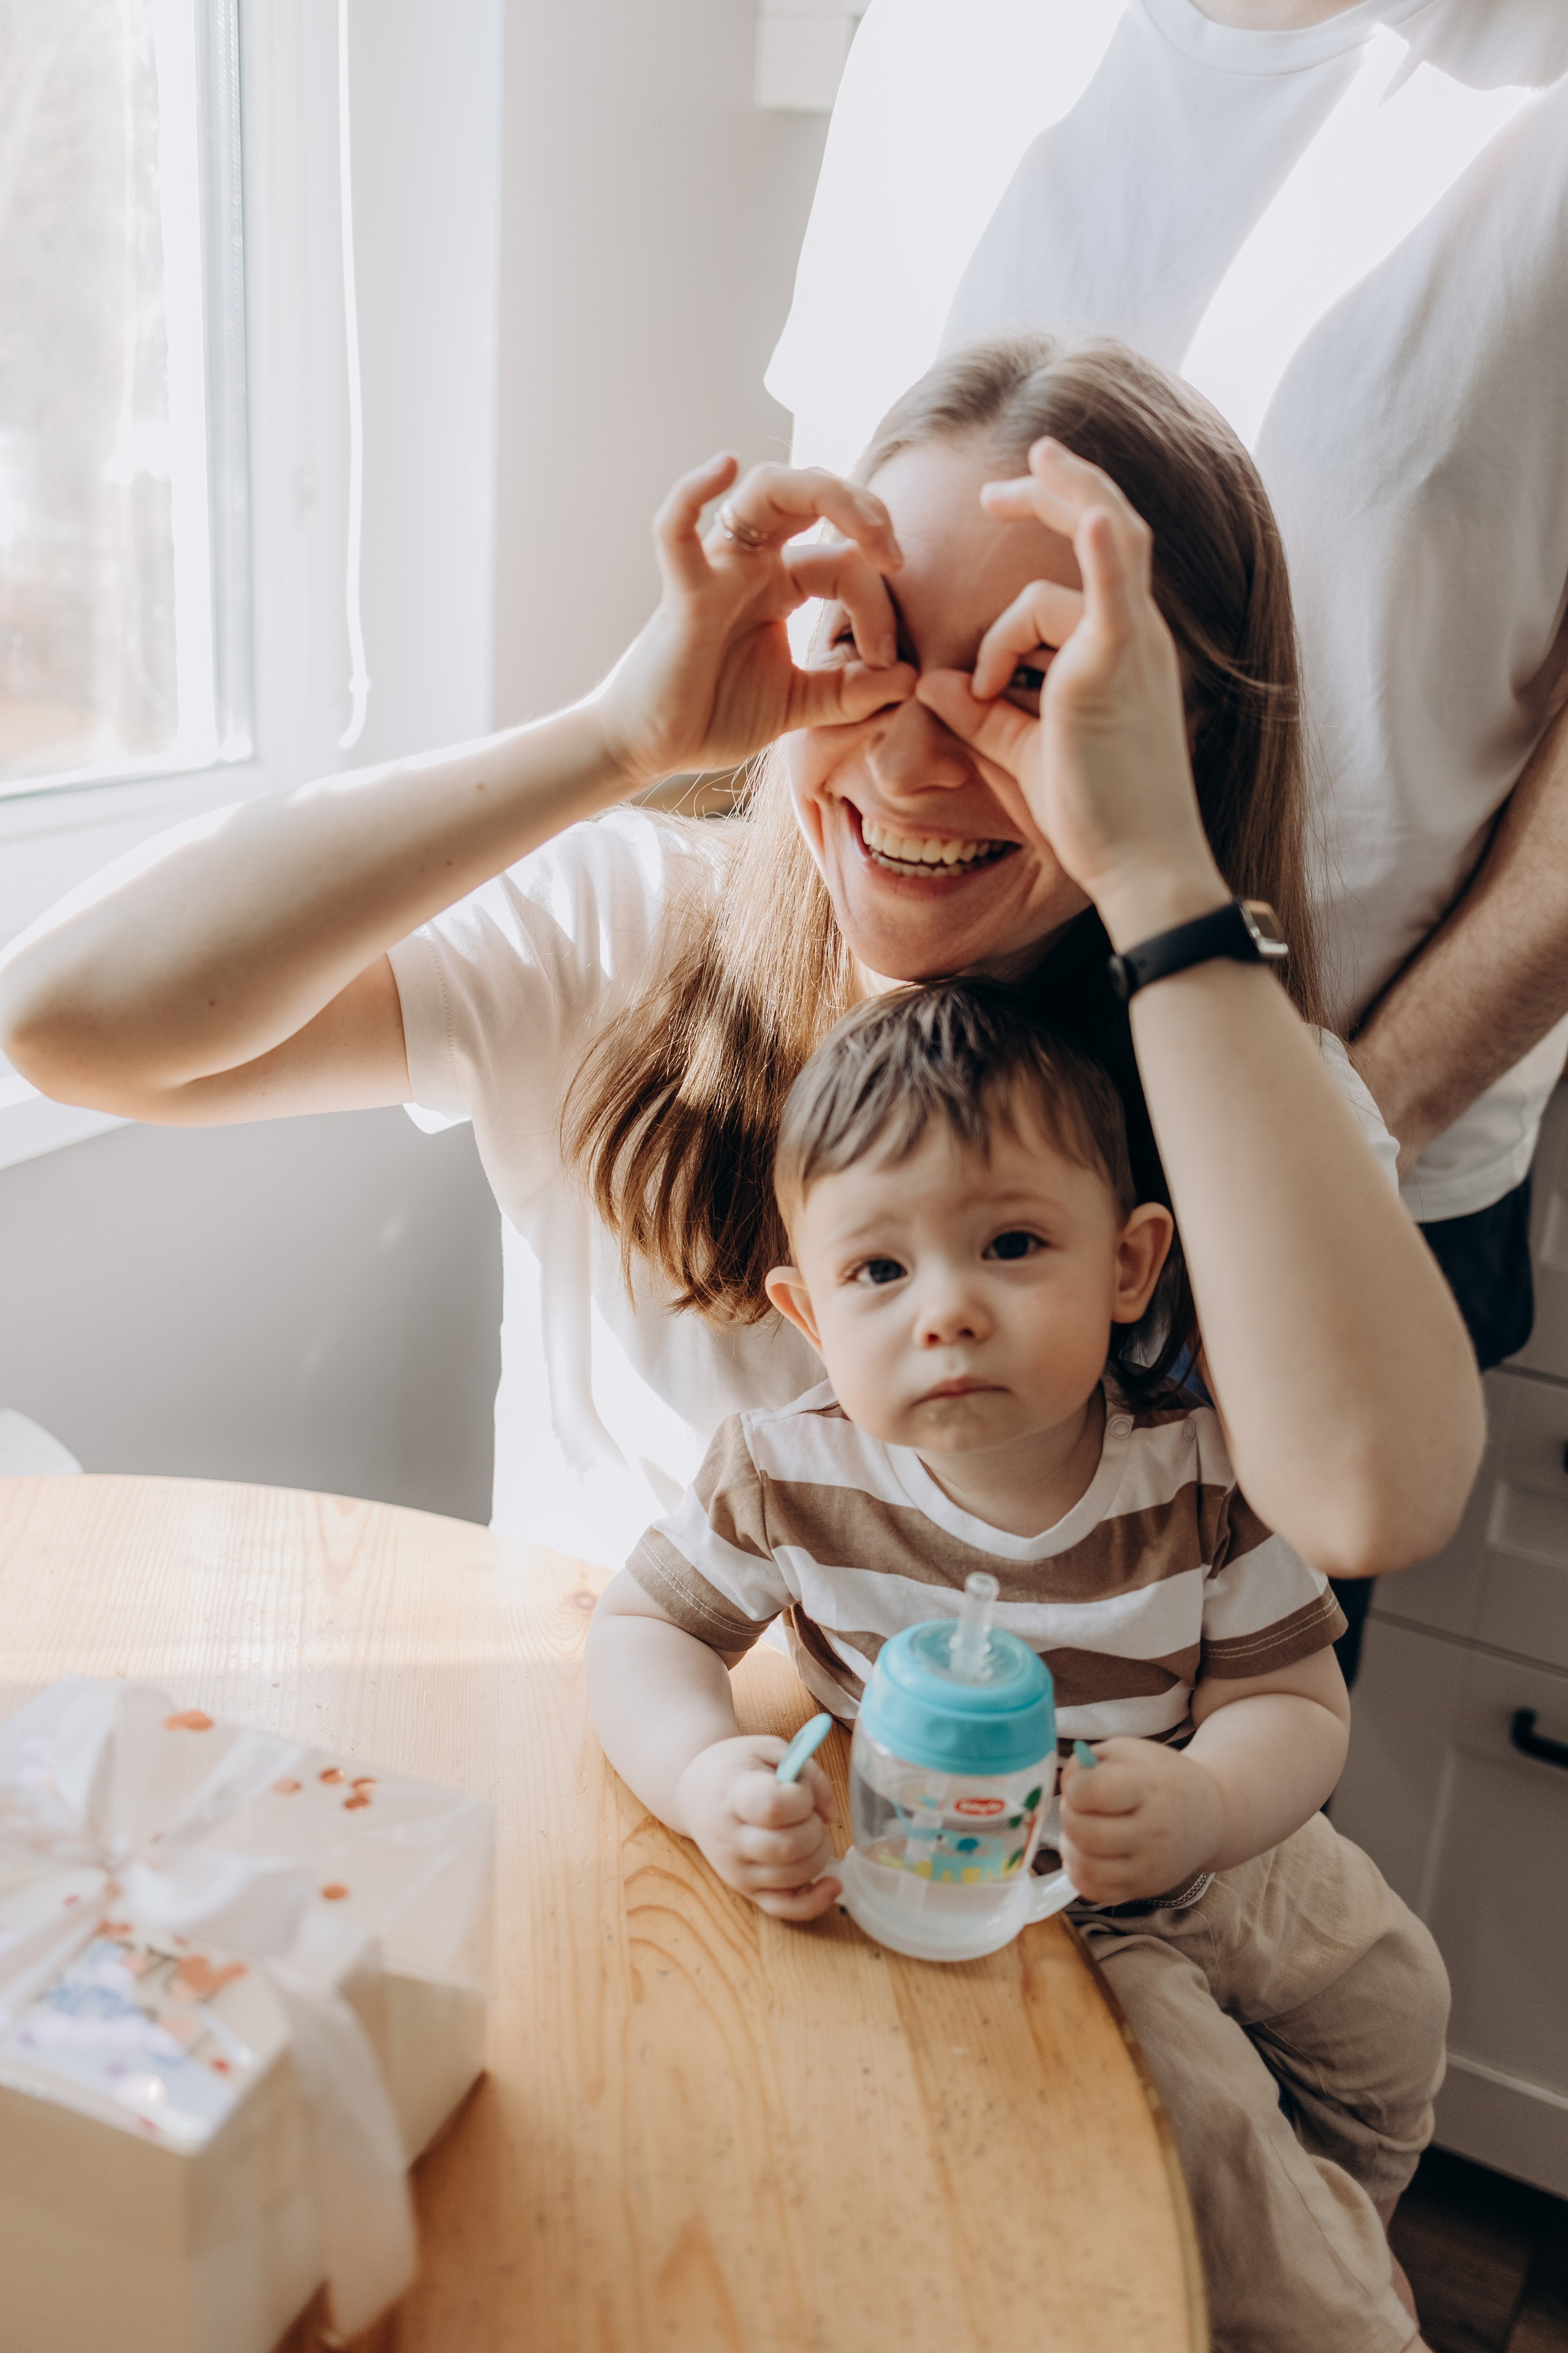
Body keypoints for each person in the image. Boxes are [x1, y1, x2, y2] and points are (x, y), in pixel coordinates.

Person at [0, 335, 1480, 1600]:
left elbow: (1371, 1501)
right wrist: (614, 738)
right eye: (869, 649)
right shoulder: (629, 931)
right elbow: (69, 1021)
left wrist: (1160, 878)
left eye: (1029, 684)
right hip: (612, 1819)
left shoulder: (1241, 1087)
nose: (908, 764)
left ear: (1180, 736)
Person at [768, 0, 1568, 1677]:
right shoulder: (938, 41)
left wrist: (1341, 1120)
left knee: (1174, 1825)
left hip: (1345, 1118)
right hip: (885, 1118)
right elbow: (828, 537)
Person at [587, 976, 1445, 2353]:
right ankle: (1316, 2292)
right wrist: (700, 1773)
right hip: (1022, 1895)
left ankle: (1347, 2224)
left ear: (1127, 1262)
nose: (947, 1310)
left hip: (1220, 1829)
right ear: (807, 1311)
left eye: (1009, 1244)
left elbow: (1288, 1701)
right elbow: (641, 1628)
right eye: (880, 1270)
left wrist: (1209, 1805)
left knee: (1399, 2010)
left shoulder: (1202, 1466)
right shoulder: (785, 1471)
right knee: (1217, 2162)